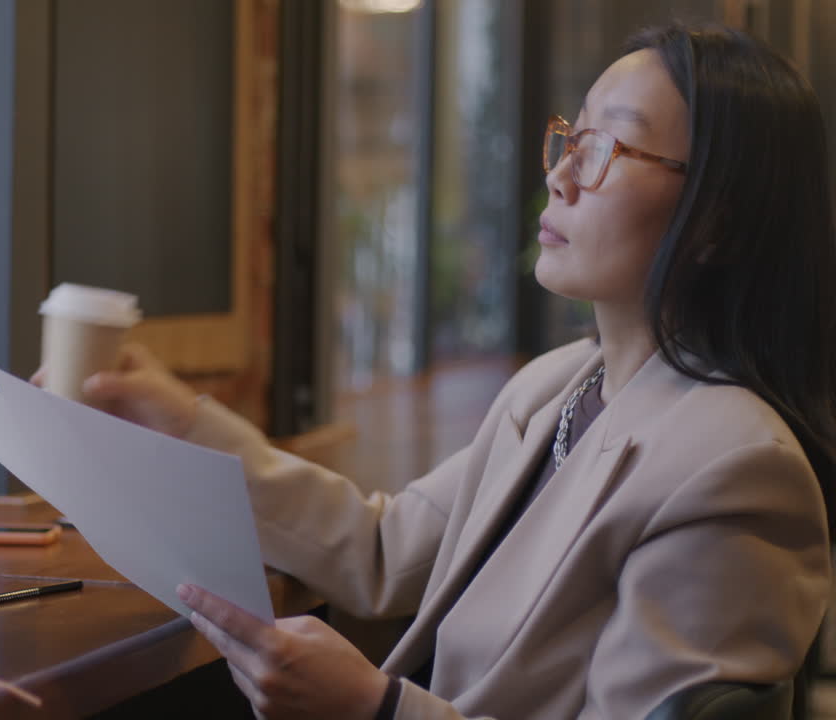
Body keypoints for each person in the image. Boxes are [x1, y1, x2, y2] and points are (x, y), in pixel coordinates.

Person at [42, 22, 836, 719]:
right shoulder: (558, 385)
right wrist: (177, 424)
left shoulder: (735, 468)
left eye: (607, 149)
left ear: (718, 220)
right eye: (572, 137)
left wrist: (376, 709)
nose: (559, 176)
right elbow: (385, 551)